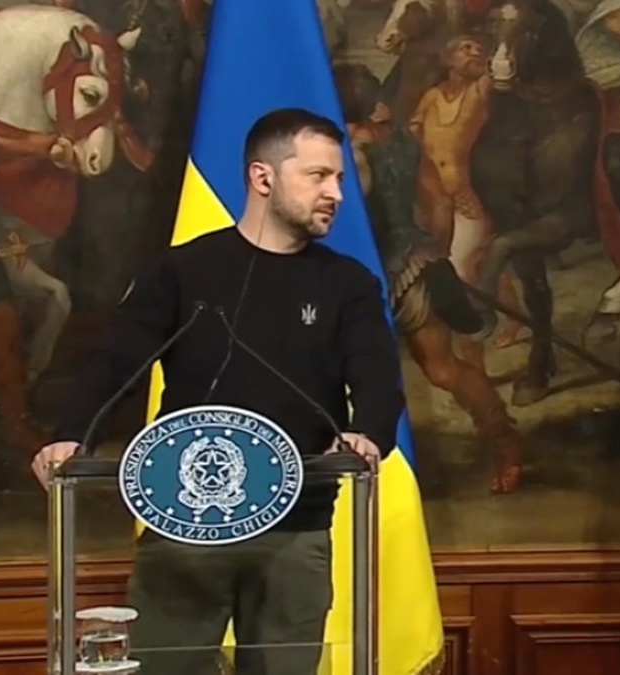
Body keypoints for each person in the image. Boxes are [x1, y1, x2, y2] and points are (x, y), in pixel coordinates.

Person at [29, 108, 404, 675]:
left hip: (297, 526)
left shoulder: (348, 284)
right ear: (262, 177)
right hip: (185, 526)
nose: (336, 194)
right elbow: (115, 362)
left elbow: (377, 375)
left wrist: (368, 433)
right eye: (318, 176)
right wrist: (72, 436)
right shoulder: (182, 272)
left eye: (338, 179)